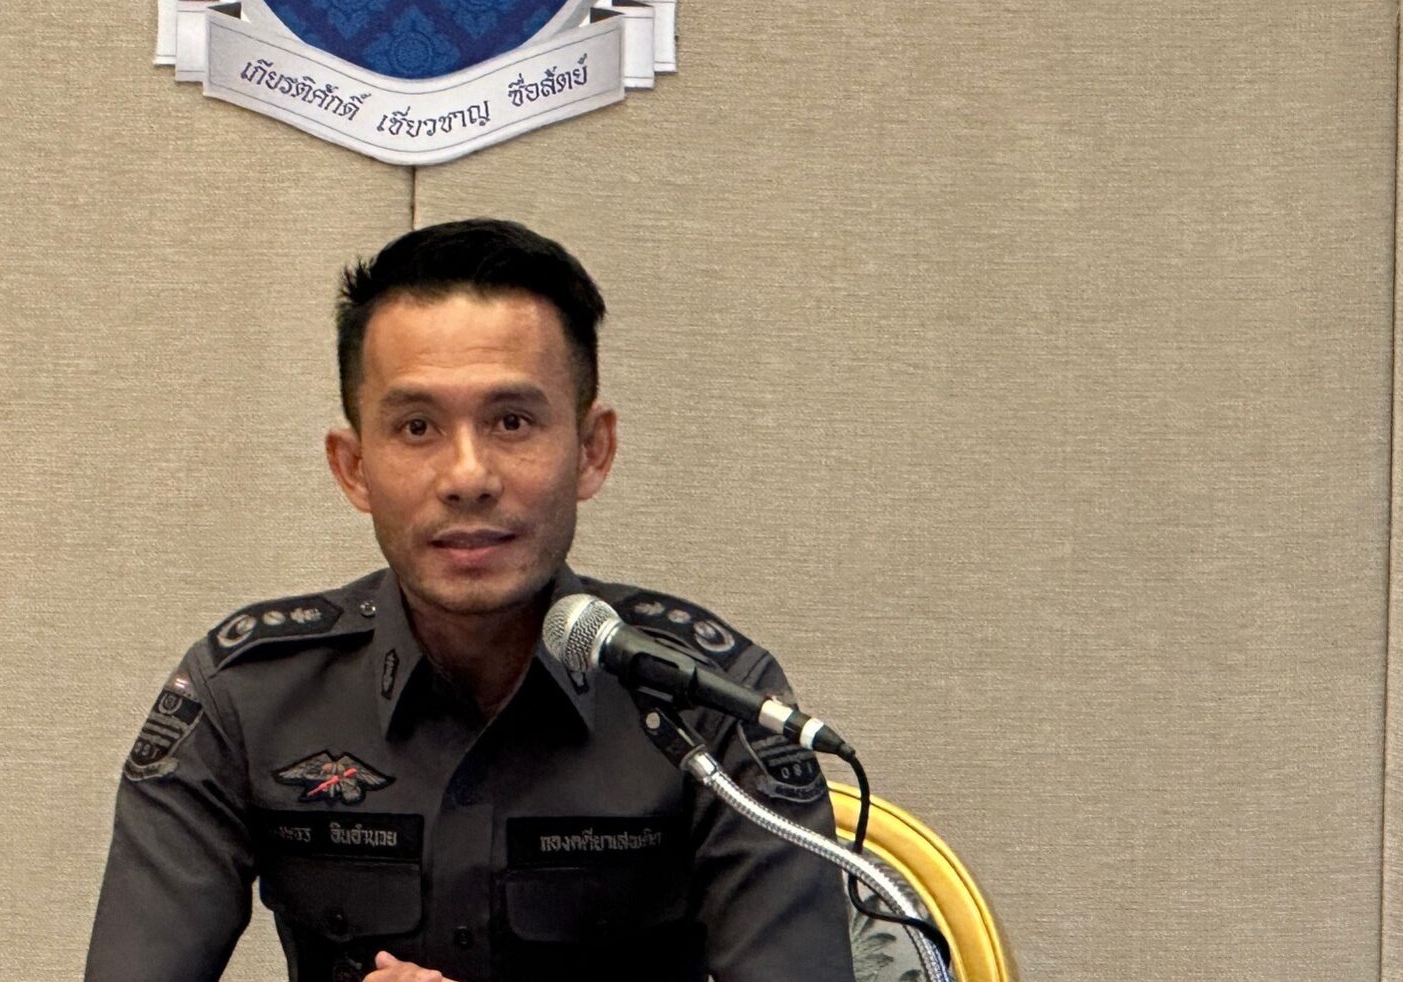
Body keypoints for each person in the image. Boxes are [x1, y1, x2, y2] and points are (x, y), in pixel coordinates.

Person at [84, 219, 855, 982]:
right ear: (354, 467)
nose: (467, 476)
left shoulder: (709, 701)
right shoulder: (249, 694)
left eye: (511, 422)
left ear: (592, 451)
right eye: (417, 426)